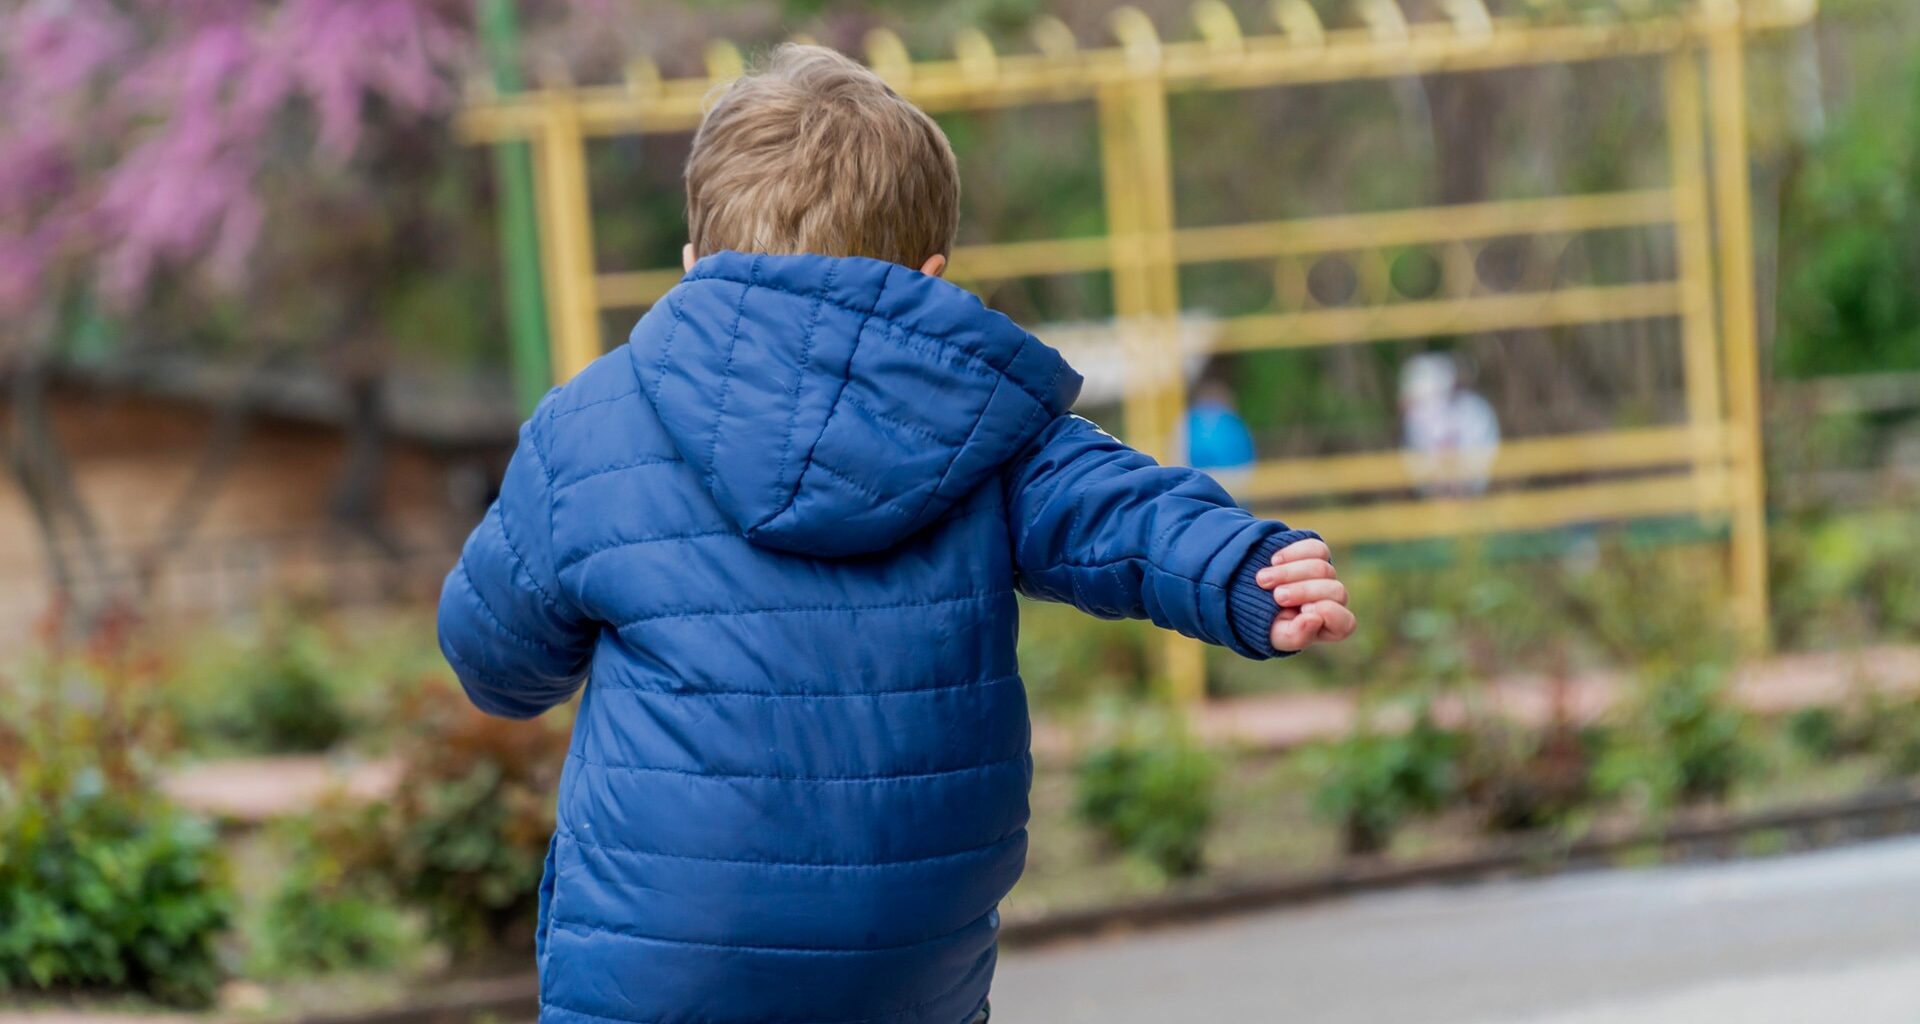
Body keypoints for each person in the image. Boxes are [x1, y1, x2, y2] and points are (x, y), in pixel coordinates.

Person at [437, 44, 1354, 1024]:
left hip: (664, 957)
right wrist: (1243, 567)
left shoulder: (591, 426)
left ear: (696, 265)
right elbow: (1114, 510)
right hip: (909, 960)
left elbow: (497, 659)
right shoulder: (983, 423)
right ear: (928, 275)